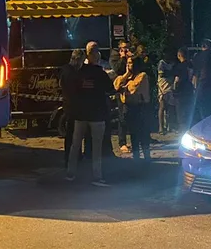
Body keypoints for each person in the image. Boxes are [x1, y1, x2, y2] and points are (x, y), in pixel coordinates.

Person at [66, 42, 112, 186]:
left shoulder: (79, 72)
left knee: (75, 145)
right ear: (95, 54)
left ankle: (71, 173)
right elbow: (110, 89)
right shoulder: (100, 72)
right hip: (97, 115)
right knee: (96, 147)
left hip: (81, 114)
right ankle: (97, 176)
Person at [115, 55, 152, 161]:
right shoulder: (127, 76)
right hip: (130, 109)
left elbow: (133, 88)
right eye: (127, 63)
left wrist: (125, 86)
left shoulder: (142, 76)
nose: (128, 65)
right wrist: (126, 75)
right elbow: (116, 85)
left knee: (144, 136)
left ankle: (147, 159)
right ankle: (136, 160)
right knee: (133, 136)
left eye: (130, 63)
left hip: (141, 108)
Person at [60, 49, 92, 166]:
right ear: (78, 60)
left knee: (72, 135)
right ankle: (72, 159)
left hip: (69, 106)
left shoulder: (65, 70)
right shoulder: (72, 73)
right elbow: (77, 88)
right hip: (74, 107)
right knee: (73, 135)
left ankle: (73, 157)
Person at [192, 39, 211, 121]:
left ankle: (204, 122)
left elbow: (195, 74)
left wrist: (194, 87)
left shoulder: (197, 56)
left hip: (201, 85)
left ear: (203, 46)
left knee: (202, 106)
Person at [172, 47, 193, 132]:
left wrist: (174, 89)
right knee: (189, 113)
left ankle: (182, 133)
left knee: (181, 115)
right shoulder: (191, 65)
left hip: (181, 93)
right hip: (190, 91)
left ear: (179, 55)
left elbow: (177, 80)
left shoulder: (179, 66)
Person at [157, 53, 176, 134]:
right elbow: (161, 74)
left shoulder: (172, 63)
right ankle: (161, 127)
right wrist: (171, 73)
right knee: (162, 106)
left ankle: (170, 126)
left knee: (171, 107)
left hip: (170, 86)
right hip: (162, 86)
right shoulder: (161, 63)